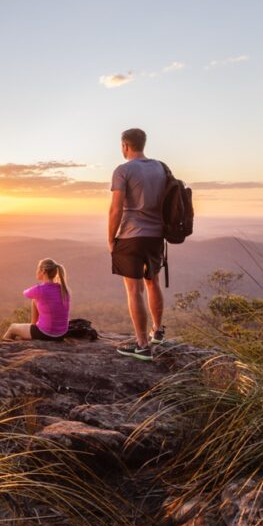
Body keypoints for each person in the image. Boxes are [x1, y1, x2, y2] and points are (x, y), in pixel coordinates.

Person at [108, 128, 167, 360]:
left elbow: (116, 209)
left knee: (134, 291)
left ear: (125, 145)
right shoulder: (160, 167)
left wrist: (111, 238)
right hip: (156, 236)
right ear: (143, 143)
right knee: (153, 283)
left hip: (131, 235)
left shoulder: (123, 170)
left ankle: (142, 344)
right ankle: (158, 331)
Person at [1, 258, 71, 341]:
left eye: (38, 269)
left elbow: (25, 293)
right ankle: (33, 326)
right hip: (61, 334)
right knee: (35, 300)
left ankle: (7, 347)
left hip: (46, 334)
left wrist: (38, 289)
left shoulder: (39, 290)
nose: (36, 271)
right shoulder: (64, 290)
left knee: (12, 328)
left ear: (43, 271)